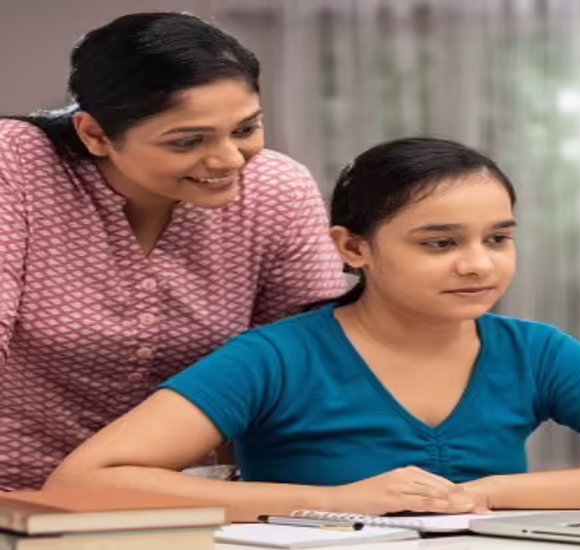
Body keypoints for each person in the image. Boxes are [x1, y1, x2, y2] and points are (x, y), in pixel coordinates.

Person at [45, 137, 580, 521]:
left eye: (498, 238)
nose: (479, 264)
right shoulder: (275, 358)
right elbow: (83, 481)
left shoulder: (537, 352)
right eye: (440, 243)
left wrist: (494, 493)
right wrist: (335, 500)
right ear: (353, 248)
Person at [0, 12, 347, 491]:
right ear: (95, 134)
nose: (229, 160)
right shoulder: (17, 163)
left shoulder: (276, 189)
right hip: (14, 494)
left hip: (186, 495)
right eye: (188, 141)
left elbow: (306, 361)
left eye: (245, 129)